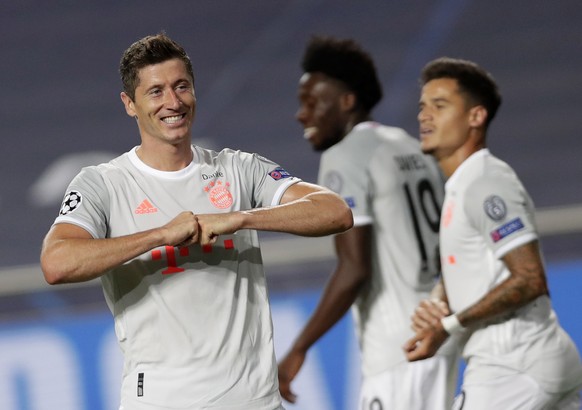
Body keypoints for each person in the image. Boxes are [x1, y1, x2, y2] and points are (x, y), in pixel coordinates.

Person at [39, 32, 353, 410]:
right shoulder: (102, 183)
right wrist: (159, 235)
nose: (173, 102)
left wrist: (240, 218)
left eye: (181, 86)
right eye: (155, 92)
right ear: (130, 104)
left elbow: (335, 210)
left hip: (254, 401)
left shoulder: (238, 168)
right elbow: (56, 263)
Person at [277, 36, 459, 410]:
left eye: (313, 102)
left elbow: (354, 267)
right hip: (441, 332)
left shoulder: (344, 156)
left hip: (397, 344)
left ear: (347, 101)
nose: (302, 113)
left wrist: (299, 347)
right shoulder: (412, 146)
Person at [404, 57, 582, 409]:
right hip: (534, 358)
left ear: (476, 117)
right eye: (423, 107)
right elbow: (478, 268)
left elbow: (530, 278)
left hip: (513, 362)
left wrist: (449, 325)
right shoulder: (463, 184)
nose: (425, 116)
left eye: (440, 106)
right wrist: (440, 302)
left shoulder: (485, 182)